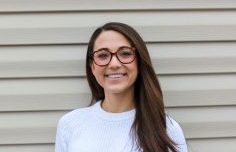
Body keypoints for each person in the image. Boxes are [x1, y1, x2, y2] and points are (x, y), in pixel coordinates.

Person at [55, 22, 188, 152]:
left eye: (125, 53)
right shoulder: (69, 124)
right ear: (92, 66)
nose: (114, 64)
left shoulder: (167, 128)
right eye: (103, 55)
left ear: (139, 62)